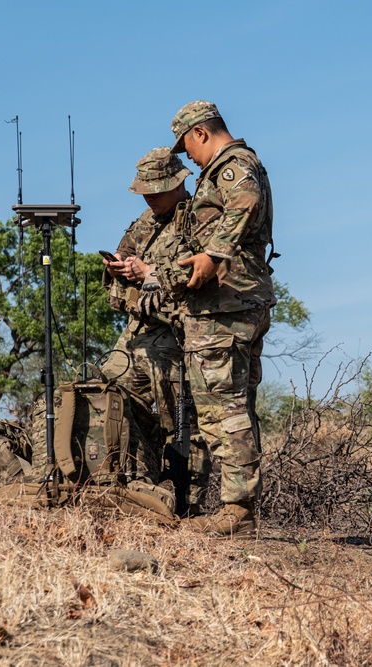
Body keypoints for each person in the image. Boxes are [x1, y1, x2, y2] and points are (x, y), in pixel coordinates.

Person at [167, 100, 276, 537]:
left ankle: (238, 512)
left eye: (187, 148)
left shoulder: (233, 165)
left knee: (222, 409)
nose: (188, 158)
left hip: (227, 305)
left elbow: (245, 201)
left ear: (200, 133)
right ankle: (240, 508)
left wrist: (213, 254)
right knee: (235, 406)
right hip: (236, 301)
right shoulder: (233, 165)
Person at [101, 147, 211, 512]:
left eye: (156, 189)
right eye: (144, 190)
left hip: (179, 333)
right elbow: (116, 284)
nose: (149, 196)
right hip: (137, 333)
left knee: (179, 422)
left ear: (178, 182)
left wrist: (150, 273)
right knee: (107, 398)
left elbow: (204, 276)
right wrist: (118, 271)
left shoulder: (200, 219)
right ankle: (120, 482)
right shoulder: (142, 225)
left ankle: (188, 504)